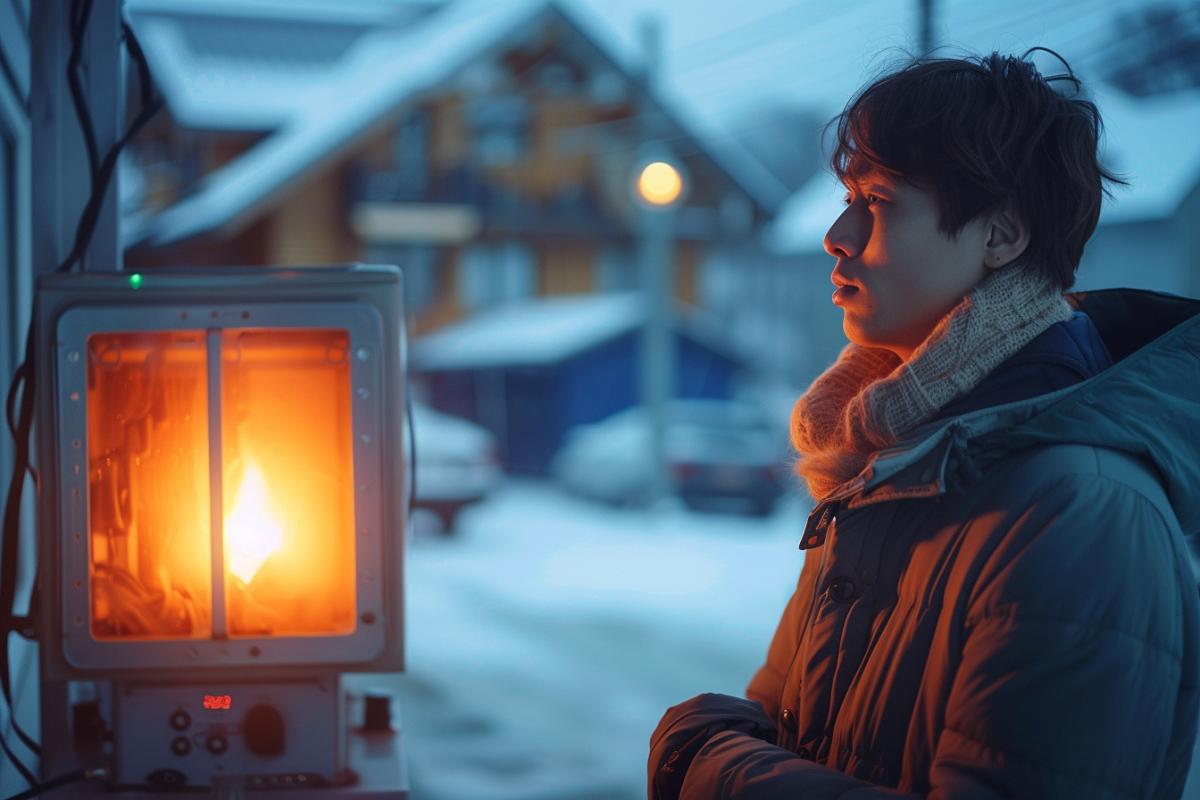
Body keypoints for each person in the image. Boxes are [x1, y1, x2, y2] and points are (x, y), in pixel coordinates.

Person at [648, 49, 1200, 799]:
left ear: (1000, 237)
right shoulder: (882, 457)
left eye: (876, 201)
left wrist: (709, 767)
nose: (836, 235)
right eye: (847, 195)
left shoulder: (1079, 511)